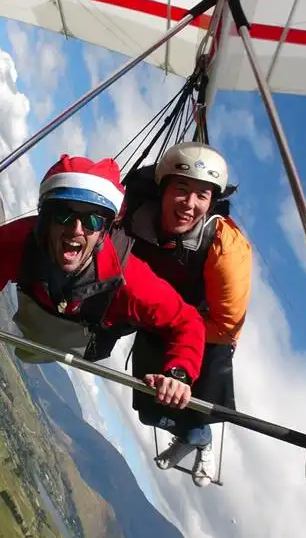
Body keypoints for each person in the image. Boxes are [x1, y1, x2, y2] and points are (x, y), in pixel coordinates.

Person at [0, 154, 210, 413]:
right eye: (65, 214)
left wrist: (179, 374)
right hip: (38, 322)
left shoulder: (128, 279)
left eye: (92, 220)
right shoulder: (21, 241)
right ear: (46, 217)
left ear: (105, 230)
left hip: (88, 340)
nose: (76, 230)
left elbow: (187, 322)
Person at [117, 141, 253, 487]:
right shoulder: (136, 215)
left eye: (202, 196)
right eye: (182, 189)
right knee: (150, 407)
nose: (190, 205)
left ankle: (198, 439)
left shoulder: (224, 248)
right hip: (156, 315)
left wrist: (180, 326)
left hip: (207, 332)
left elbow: (225, 327)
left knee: (192, 410)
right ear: (162, 188)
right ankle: (188, 436)